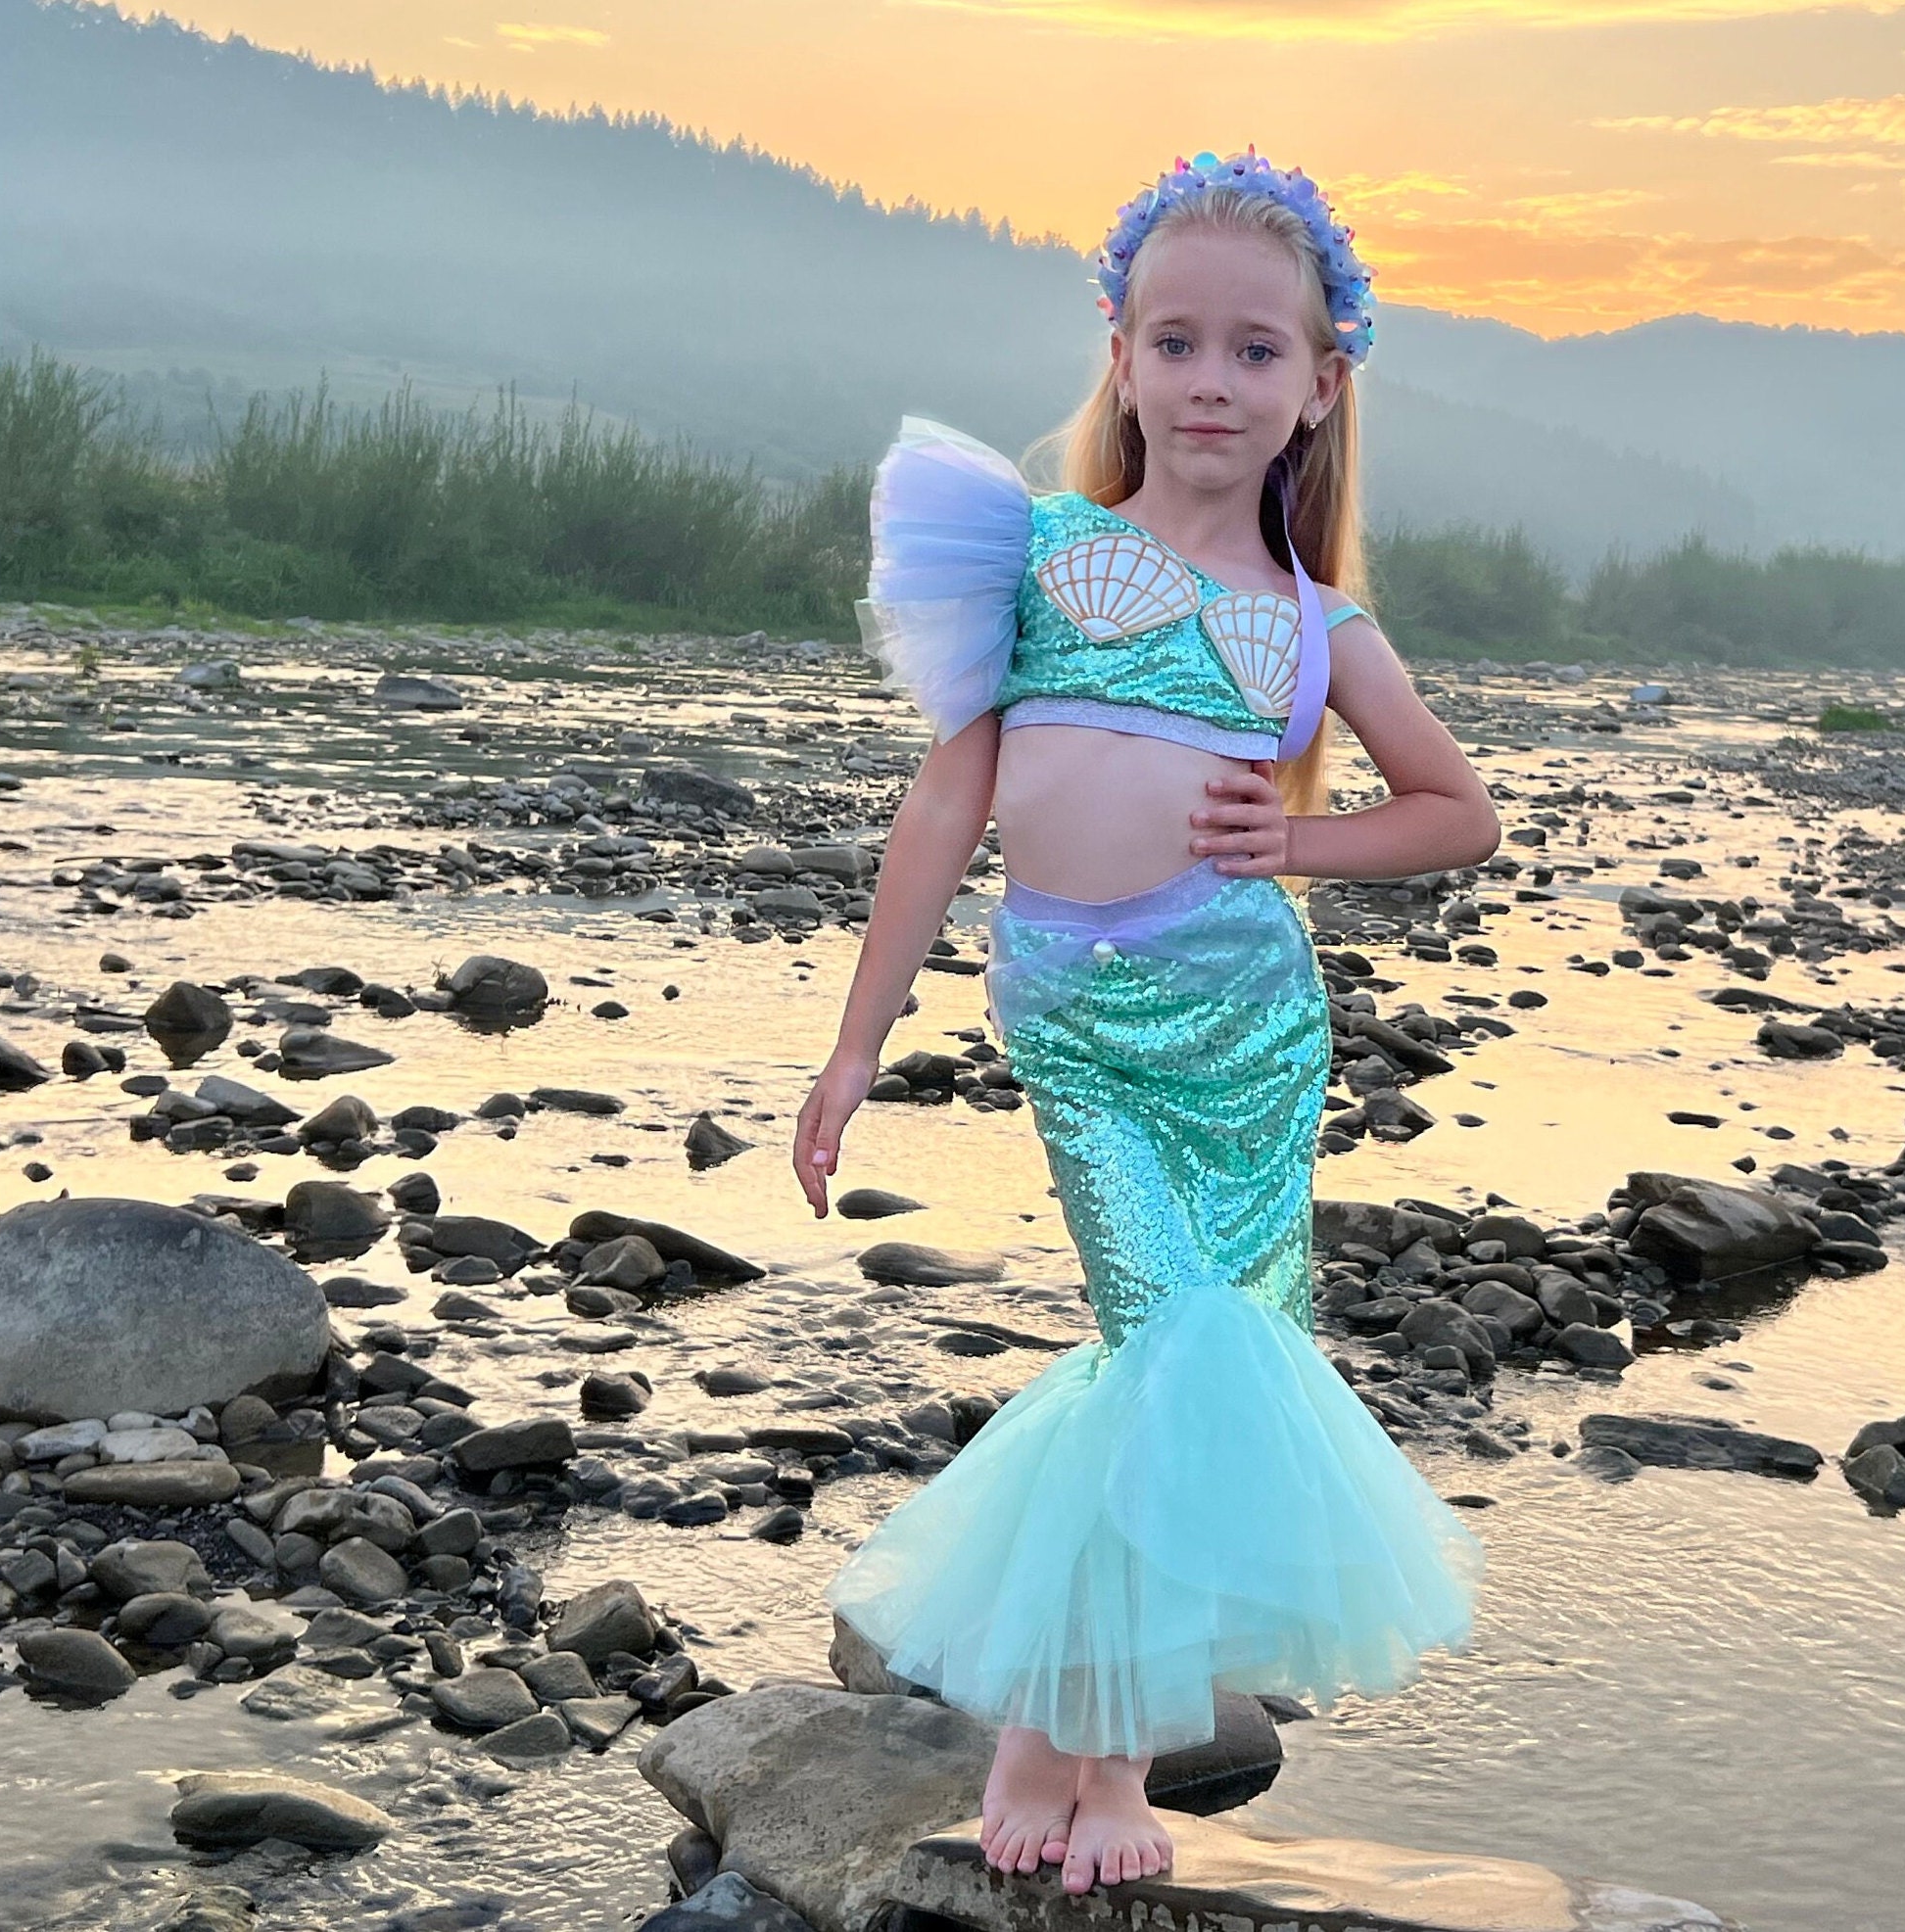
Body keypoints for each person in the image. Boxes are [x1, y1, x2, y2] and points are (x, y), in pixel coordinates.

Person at [792, 150, 1496, 1897]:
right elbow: (944, 812)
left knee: (1188, 1357)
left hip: (1248, 1023)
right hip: (1079, 1021)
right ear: (1119, 352)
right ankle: (1075, 1739)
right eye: (1176, 341)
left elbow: (1457, 812)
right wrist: (859, 1040)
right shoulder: (1031, 553)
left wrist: (1305, 842)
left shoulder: (1314, 623)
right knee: (1156, 1338)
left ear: (1321, 385)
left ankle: (1072, 1739)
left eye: (1256, 352)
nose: (1211, 380)